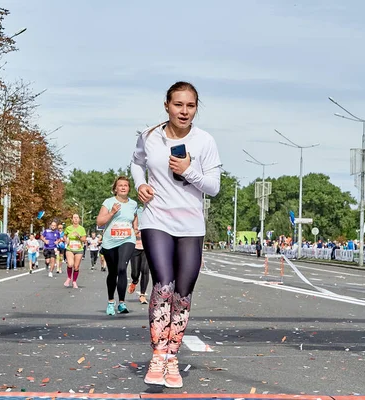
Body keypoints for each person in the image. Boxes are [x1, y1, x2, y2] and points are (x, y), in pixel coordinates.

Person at [130, 81, 221, 388]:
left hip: (191, 226)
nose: (184, 111)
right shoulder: (150, 136)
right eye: (178, 104)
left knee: (182, 294)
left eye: (190, 106)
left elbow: (214, 187)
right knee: (164, 285)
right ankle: (158, 355)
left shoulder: (205, 141)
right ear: (166, 105)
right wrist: (140, 184)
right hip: (156, 219)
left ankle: (172, 357)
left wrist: (188, 170)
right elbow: (136, 162)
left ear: (196, 108)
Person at [96, 176, 138, 315]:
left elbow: (134, 221)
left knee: (122, 268)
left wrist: (136, 229)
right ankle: (110, 302)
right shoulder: (108, 202)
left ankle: (121, 303)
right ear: (115, 189)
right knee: (113, 272)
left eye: (126, 185)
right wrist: (112, 212)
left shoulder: (133, 204)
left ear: (129, 188)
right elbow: (100, 222)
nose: (123, 187)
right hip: (110, 241)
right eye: (120, 185)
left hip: (127, 239)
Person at [129, 207, 149, 305]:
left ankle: (142, 295)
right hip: (135, 246)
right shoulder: (134, 213)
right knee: (135, 272)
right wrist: (134, 231)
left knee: (145, 270)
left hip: (147, 247)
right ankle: (134, 281)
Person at [63, 214, 86, 288]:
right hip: (70, 249)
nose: (75, 219)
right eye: (74, 218)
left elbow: (84, 239)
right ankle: (69, 278)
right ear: (72, 220)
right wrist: (66, 239)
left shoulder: (82, 229)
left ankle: (74, 281)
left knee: (76, 267)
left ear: (79, 219)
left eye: (77, 218)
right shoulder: (68, 228)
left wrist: (78, 236)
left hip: (79, 249)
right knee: (70, 264)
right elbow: (64, 235)